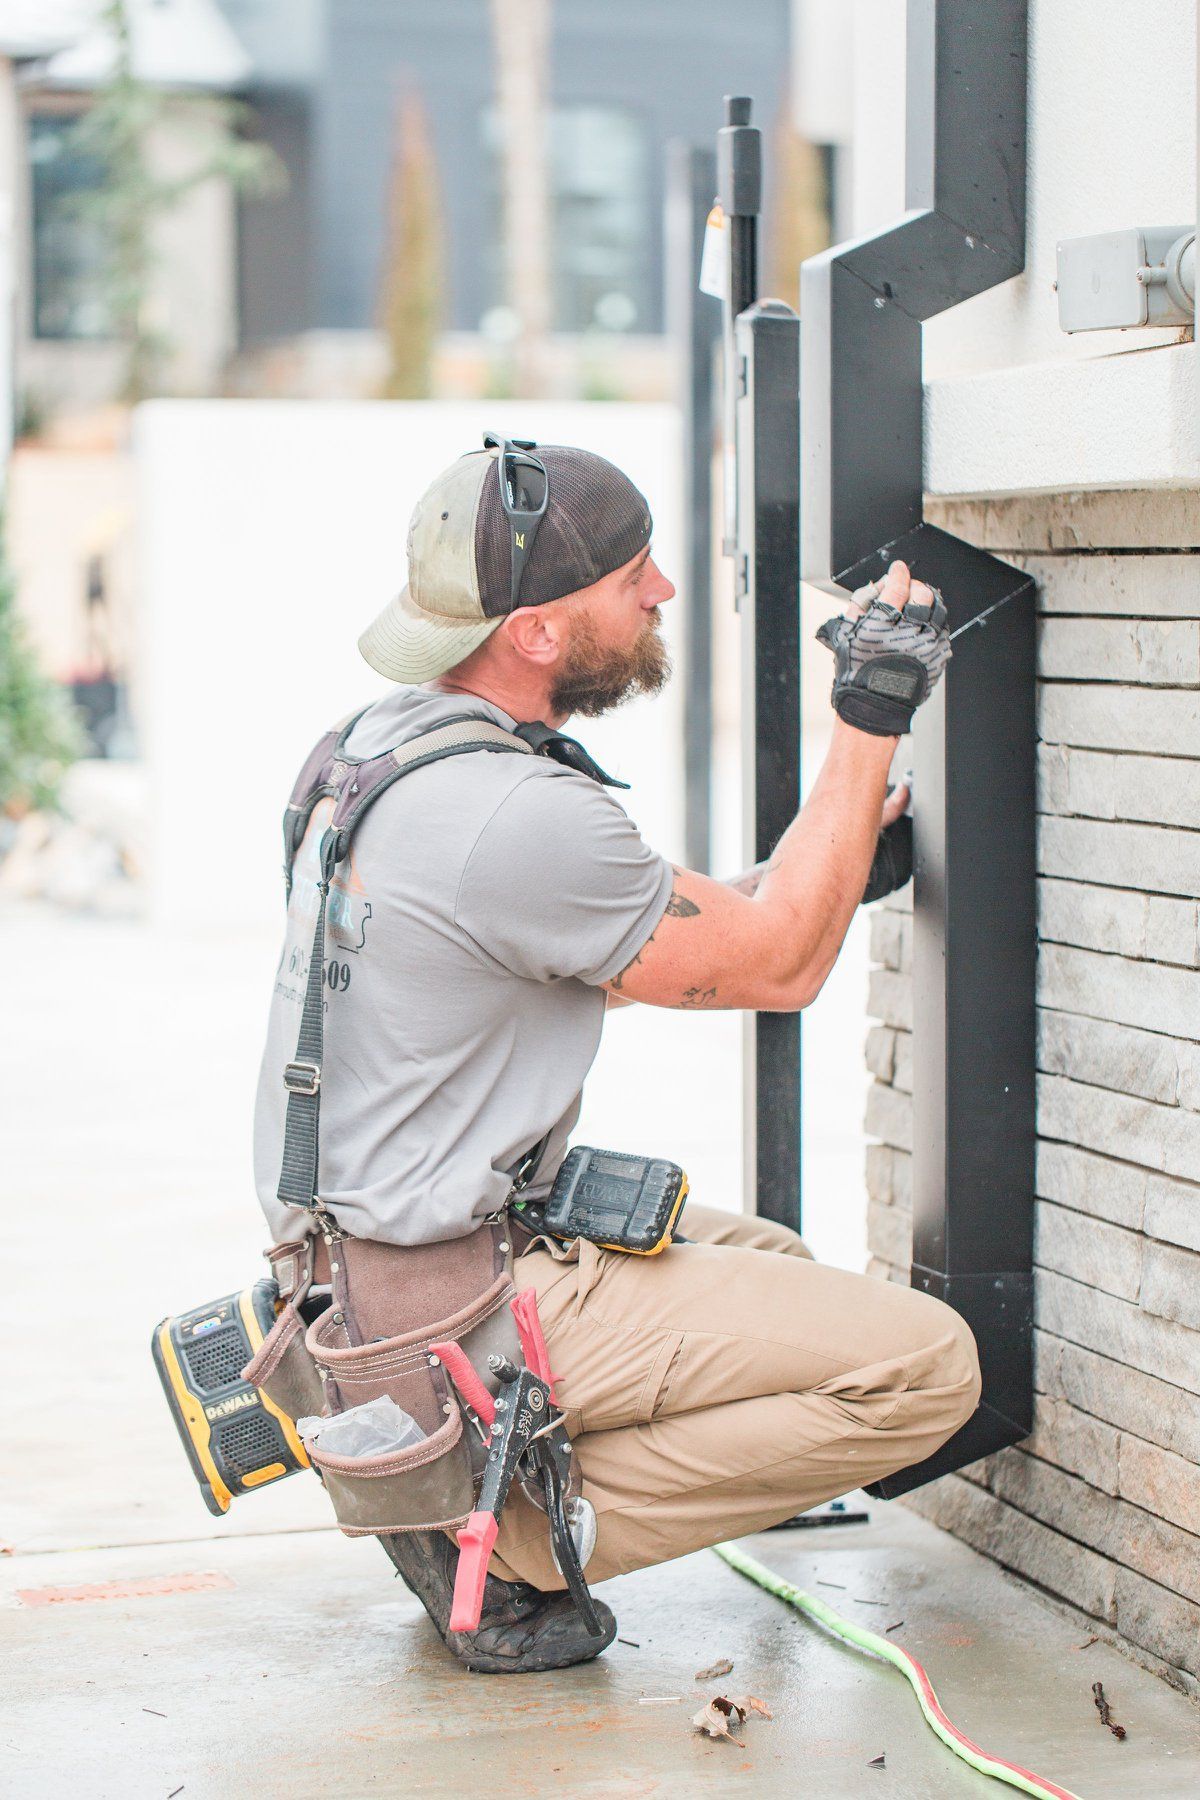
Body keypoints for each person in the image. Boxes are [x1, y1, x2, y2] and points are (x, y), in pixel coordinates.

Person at [253, 436, 980, 1674]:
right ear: (536, 632)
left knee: (776, 1262)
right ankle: (524, 1521)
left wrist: (819, 879)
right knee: (924, 1367)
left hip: (353, 1277)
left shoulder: (374, 750)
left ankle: (471, 1478)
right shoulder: (516, 813)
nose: (662, 594)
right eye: (632, 574)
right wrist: (871, 714)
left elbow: (595, 948)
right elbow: (781, 973)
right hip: (452, 1306)